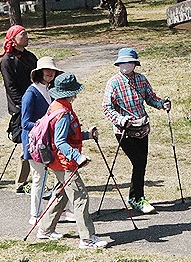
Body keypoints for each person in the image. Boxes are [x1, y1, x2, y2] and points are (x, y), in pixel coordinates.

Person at [36, 72, 110, 249]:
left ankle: (45, 231)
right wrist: (78, 157)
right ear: (70, 93)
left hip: (56, 162)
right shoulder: (63, 112)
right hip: (65, 163)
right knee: (80, 197)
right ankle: (87, 239)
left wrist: (87, 135)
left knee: (60, 195)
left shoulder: (56, 106)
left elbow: (67, 136)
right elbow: (60, 141)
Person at [102, 47, 171, 214]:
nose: (126, 66)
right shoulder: (114, 82)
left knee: (141, 164)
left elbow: (150, 98)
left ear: (134, 64)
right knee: (138, 162)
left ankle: (135, 197)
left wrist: (162, 103)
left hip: (143, 129)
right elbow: (107, 107)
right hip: (124, 131)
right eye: (122, 63)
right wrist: (120, 119)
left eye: (129, 62)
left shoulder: (141, 79)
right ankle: (137, 198)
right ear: (118, 64)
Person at [19, 55, 61, 224]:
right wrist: (44, 124)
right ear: (39, 72)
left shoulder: (49, 90)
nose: (50, 73)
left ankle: (58, 210)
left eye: (52, 70)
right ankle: (35, 215)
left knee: (55, 177)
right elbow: (25, 123)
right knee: (39, 179)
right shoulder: (30, 93)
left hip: (47, 142)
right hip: (35, 144)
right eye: (47, 70)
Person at [0, 24, 37, 193]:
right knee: (27, 144)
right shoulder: (7, 61)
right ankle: (21, 182)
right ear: (13, 39)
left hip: (38, 102)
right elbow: (11, 87)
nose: (27, 37)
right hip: (22, 107)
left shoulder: (30, 57)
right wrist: (23, 106)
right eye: (23, 34)